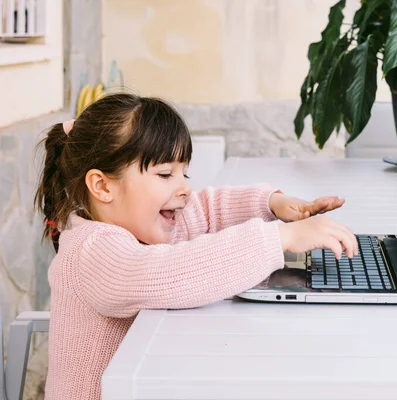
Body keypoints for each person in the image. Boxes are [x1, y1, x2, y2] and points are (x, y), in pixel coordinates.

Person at [34, 93, 358, 400]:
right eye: (165, 175)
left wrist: (273, 203)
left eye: (184, 173)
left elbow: (207, 208)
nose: (185, 189)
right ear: (103, 186)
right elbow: (164, 272)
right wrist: (280, 239)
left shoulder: (139, 224)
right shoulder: (91, 250)